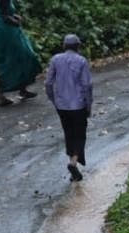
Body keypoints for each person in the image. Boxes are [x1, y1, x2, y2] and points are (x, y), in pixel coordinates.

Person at [45, 34, 94, 182]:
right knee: (79, 134)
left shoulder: (55, 60)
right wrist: (88, 104)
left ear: (64, 46)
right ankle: (73, 162)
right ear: (78, 46)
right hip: (78, 105)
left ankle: (74, 170)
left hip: (62, 105)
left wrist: (53, 99)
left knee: (68, 133)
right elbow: (87, 85)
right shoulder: (81, 61)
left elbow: (48, 83)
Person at [0, 0, 41, 107]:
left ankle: (22, 89)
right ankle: (1, 96)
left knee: (20, 57)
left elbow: (7, 13)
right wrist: (15, 21)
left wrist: (15, 17)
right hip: (5, 33)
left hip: (8, 31)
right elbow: (5, 17)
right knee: (10, 61)